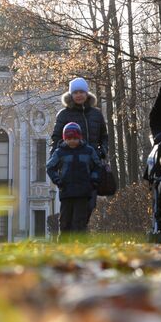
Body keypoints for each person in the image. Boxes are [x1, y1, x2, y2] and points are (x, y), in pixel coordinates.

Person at [51, 77, 108, 219]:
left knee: (89, 204)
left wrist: (103, 151)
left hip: (91, 166)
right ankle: (68, 235)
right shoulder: (63, 115)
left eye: (82, 92)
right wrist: (58, 157)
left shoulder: (96, 114)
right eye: (75, 92)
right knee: (69, 205)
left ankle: (80, 232)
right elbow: (56, 138)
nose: (79, 95)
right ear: (71, 95)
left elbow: (104, 136)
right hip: (70, 167)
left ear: (87, 93)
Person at [46, 123, 103, 239]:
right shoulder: (60, 152)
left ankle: (80, 244)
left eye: (75, 138)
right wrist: (57, 180)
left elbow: (98, 166)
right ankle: (63, 244)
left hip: (83, 192)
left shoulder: (88, 151)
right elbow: (50, 167)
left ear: (80, 137)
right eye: (69, 139)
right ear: (64, 139)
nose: (72, 141)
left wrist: (94, 180)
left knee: (80, 221)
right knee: (65, 221)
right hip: (66, 192)